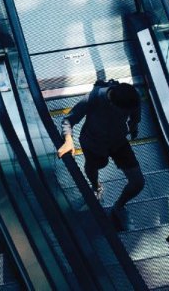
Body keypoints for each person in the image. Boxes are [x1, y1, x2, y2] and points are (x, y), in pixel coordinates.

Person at [57, 80, 144, 230]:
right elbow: (68, 120)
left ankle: (119, 207)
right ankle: (96, 187)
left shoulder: (132, 98)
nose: (125, 114)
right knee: (95, 166)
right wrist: (68, 140)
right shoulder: (94, 98)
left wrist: (134, 125)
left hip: (118, 141)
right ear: (111, 104)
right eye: (122, 112)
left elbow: (135, 113)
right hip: (93, 143)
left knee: (138, 183)